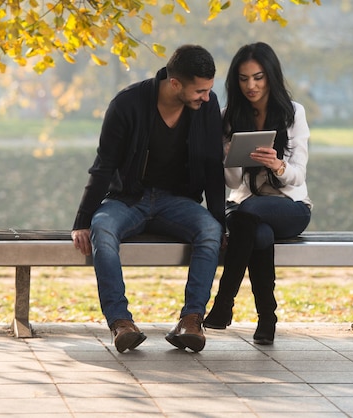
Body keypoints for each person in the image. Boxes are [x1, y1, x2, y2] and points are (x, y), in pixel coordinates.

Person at [71, 45, 225, 353]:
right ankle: (121, 323)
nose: (206, 98)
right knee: (103, 228)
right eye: (200, 91)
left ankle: (191, 321)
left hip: (177, 202)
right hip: (128, 200)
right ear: (175, 83)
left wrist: (220, 221)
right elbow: (104, 166)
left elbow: (212, 167)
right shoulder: (127, 105)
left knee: (210, 230)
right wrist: (82, 221)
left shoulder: (206, 107)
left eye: (209, 90)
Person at [204, 42, 312, 345]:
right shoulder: (228, 116)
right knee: (257, 234)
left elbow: (298, 175)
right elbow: (232, 182)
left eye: (258, 77)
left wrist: (278, 165)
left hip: (288, 207)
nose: (251, 85)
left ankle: (224, 302)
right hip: (247, 208)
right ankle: (267, 318)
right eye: (243, 78)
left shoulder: (293, 113)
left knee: (246, 217)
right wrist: (232, 157)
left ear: (271, 77)